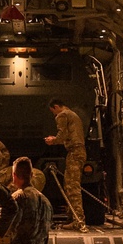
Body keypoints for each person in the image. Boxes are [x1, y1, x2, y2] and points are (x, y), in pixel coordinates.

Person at [44, 98, 88, 230]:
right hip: (78, 151)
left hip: (74, 152)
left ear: (56, 107)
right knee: (69, 185)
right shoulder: (73, 114)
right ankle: (72, 217)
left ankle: (78, 220)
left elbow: (62, 135)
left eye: (53, 112)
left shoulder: (62, 115)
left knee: (72, 188)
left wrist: (53, 140)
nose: (54, 115)